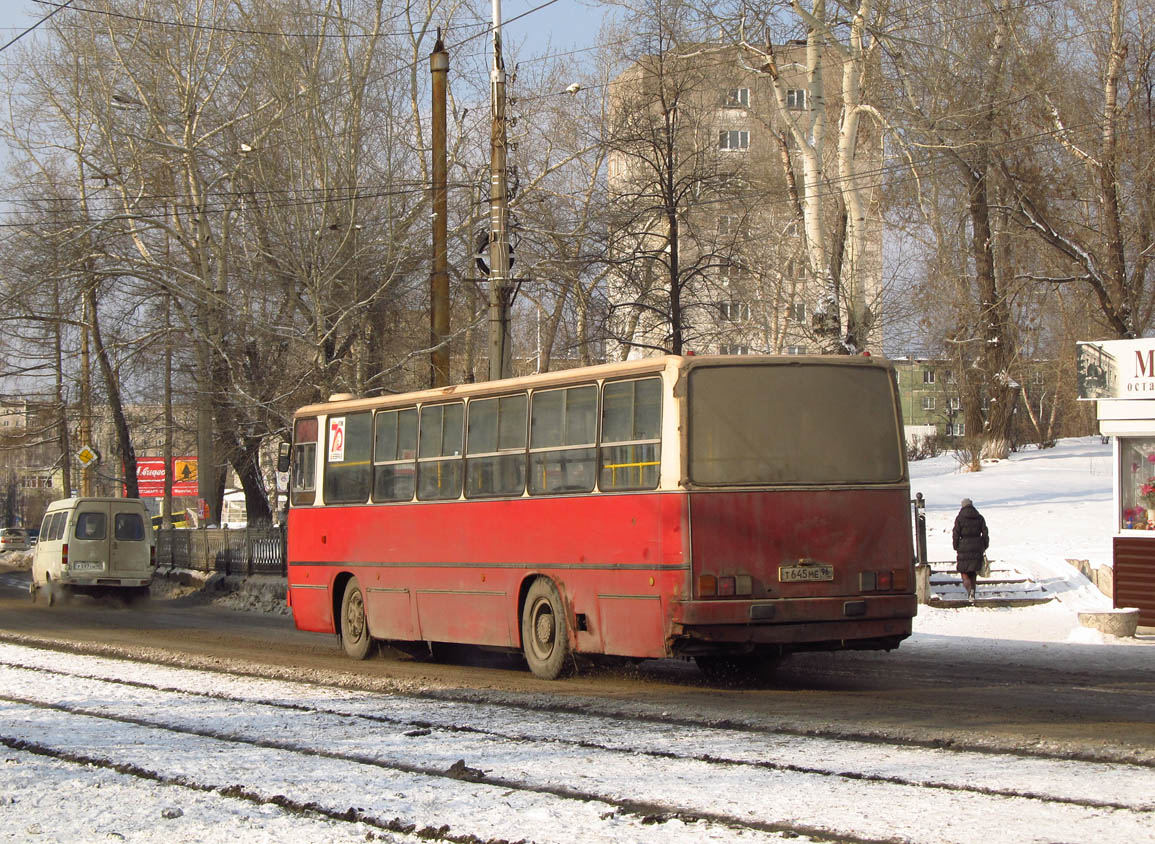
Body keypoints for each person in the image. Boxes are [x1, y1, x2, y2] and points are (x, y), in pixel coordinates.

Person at [952, 497, 989, 603]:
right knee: (973, 571)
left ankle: (969, 590)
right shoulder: (979, 517)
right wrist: (984, 544)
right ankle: (972, 593)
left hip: (963, 546)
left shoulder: (959, 518)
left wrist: (956, 546)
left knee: (964, 571)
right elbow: (985, 532)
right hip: (977, 546)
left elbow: (956, 534)